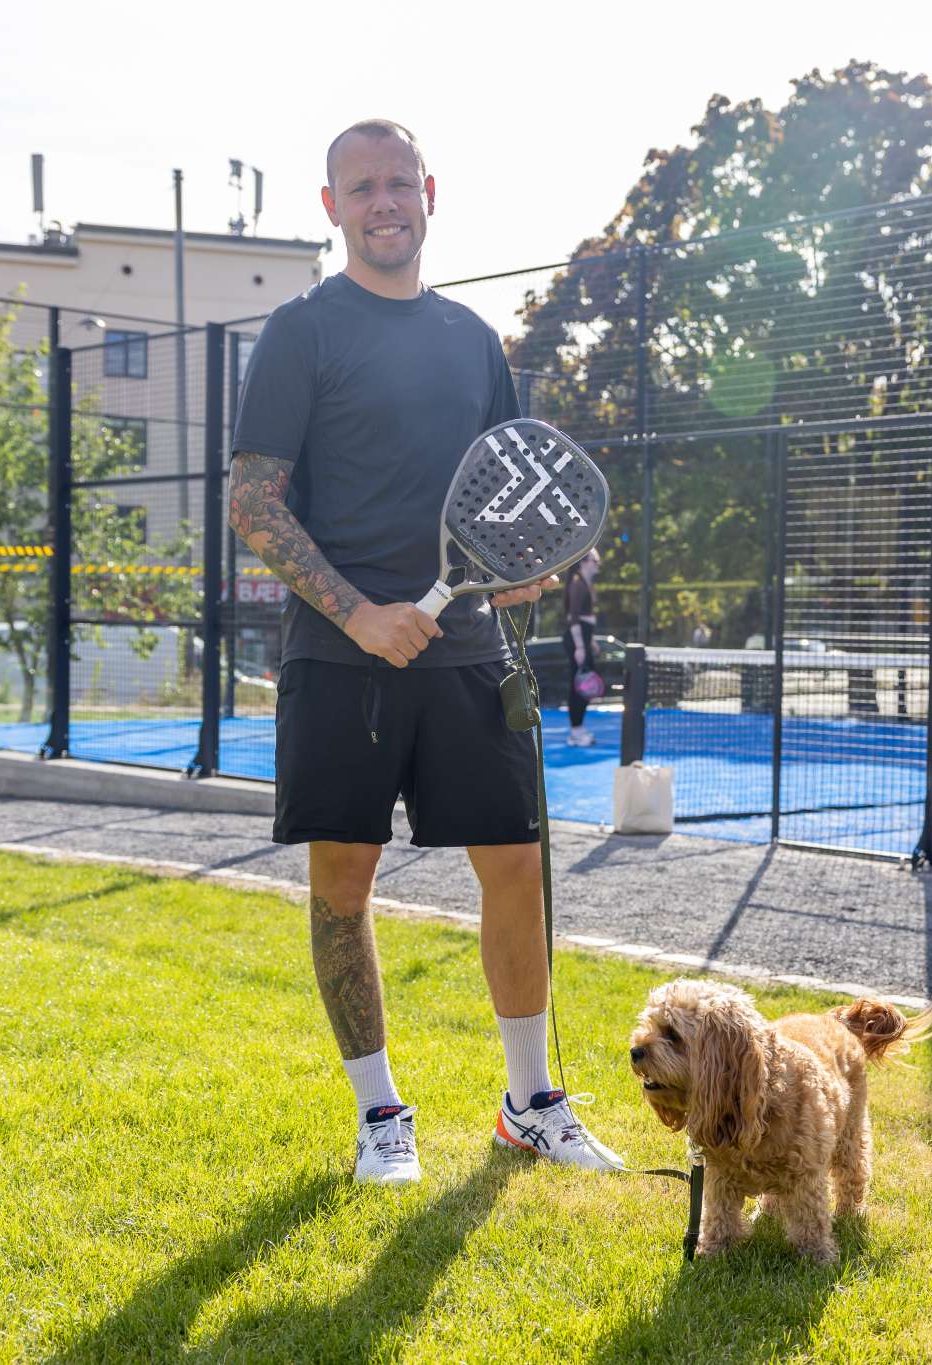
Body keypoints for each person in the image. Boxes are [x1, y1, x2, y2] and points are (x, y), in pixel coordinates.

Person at [227, 119, 621, 1185]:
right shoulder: (300, 332)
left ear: (429, 193)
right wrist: (356, 612)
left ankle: (529, 1103)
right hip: (339, 656)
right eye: (361, 188)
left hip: (466, 651)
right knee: (342, 886)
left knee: (514, 870)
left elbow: (502, 489)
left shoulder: (469, 341)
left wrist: (512, 574)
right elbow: (251, 500)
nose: (383, 202)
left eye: (399, 183)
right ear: (330, 208)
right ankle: (378, 1118)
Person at [563, 549, 601, 746]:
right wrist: (580, 646)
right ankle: (575, 732)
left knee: (584, 686)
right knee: (578, 686)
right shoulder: (578, 583)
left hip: (584, 639)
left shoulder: (586, 583)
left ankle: (578, 728)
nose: (597, 563)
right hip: (577, 640)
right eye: (595, 560)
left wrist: (590, 641)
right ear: (583, 562)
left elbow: (586, 618)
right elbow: (573, 617)